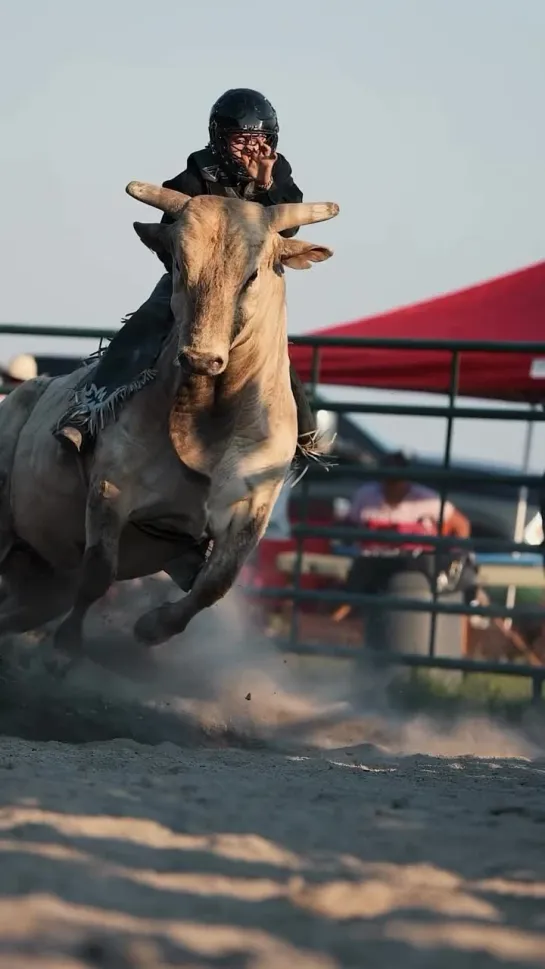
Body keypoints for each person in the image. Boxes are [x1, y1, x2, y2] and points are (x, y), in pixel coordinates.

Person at [54, 88, 316, 452]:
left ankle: (304, 434)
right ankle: (86, 413)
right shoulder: (192, 177)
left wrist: (265, 184)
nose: (252, 150)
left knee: (271, 345)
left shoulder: (277, 171)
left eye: (260, 141)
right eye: (242, 140)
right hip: (191, 284)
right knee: (146, 324)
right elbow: (168, 241)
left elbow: (288, 229)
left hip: (247, 288)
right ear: (221, 141)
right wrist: (192, 278)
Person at [334, 451, 475, 621]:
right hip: (371, 563)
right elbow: (349, 526)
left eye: (396, 479)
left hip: (415, 566)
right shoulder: (366, 496)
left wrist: (451, 551)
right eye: (387, 478)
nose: (391, 485)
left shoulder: (427, 500)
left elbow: (461, 525)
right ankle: (336, 621)